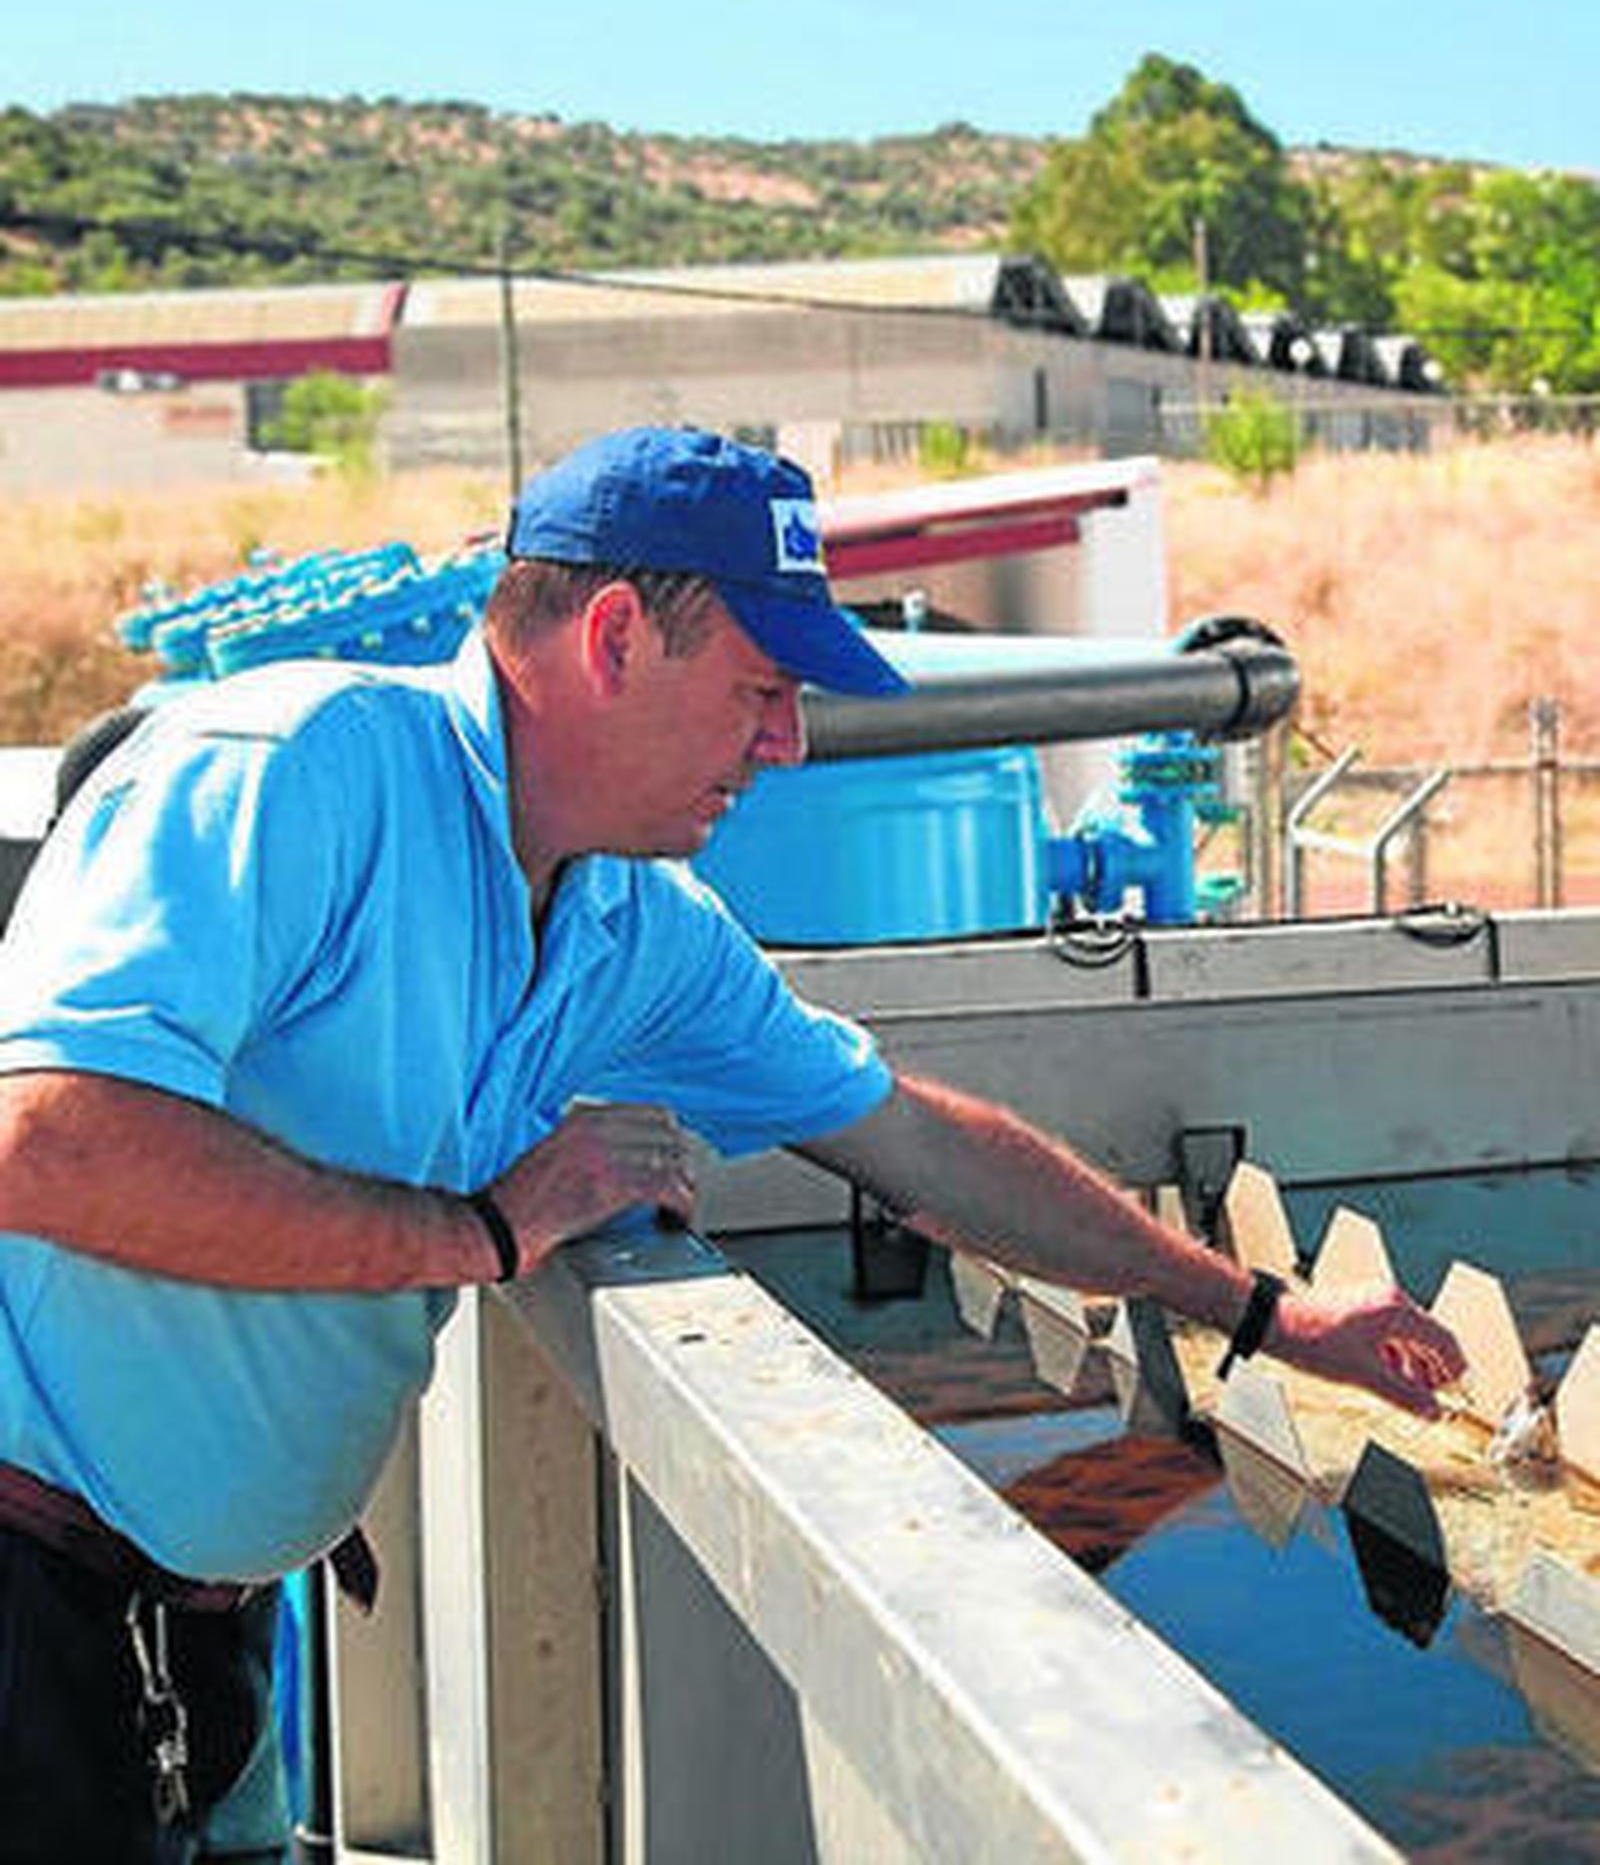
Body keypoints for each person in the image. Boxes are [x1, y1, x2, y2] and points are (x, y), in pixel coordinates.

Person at [0, 426, 1463, 1860]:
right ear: (618, 636)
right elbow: (41, 1141)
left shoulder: (630, 923)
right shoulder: (296, 772)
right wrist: (485, 1231)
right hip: (28, 1601)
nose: (790, 740)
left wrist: (1262, 1310)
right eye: (763, 688)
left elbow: (914, 1146)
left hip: (203, 1631)